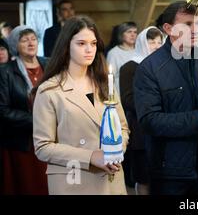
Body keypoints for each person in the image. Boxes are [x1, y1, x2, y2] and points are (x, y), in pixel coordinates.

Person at [134, 2, 198, 195]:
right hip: (170, 171)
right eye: (187, 24)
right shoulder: (150, 68)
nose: (195, 29)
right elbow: (150, 121)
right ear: (168, 28)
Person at [32, 16, 129, 195]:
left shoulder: (105, 84)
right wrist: (91, 156)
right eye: (81, 43)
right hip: (74, 179)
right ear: (66, 46)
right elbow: (43, 147)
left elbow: (122, 127)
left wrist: (114, 152)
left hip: (111, 179)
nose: (89, 49)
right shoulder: (49, 90)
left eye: (93, 43)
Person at [0, 26, 48, 195]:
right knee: (28, 186)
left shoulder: (49, 64)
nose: (30, 42)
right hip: (22, 143)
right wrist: (37, 121)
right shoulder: (5, 71)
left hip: (52, 138)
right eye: (24, 39)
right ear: (15, 45)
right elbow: (3, 111)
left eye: (33, 38)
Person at [120, 26, 163, 195]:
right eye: (152, 41)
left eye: (160, 42)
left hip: (162, 128)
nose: (157, 46)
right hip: (140, 129)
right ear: (142, 43)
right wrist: (156, 105)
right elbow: (128, 99)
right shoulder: (129, 67)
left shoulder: (164, 65)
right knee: (143, 178)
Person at [106, 22, 138, 98]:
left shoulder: (140, 50)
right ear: (122, 34)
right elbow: (110, 78)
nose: (133, 35)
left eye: (135, 32)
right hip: (121, 93)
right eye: (129, 32)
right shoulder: (113, 53)